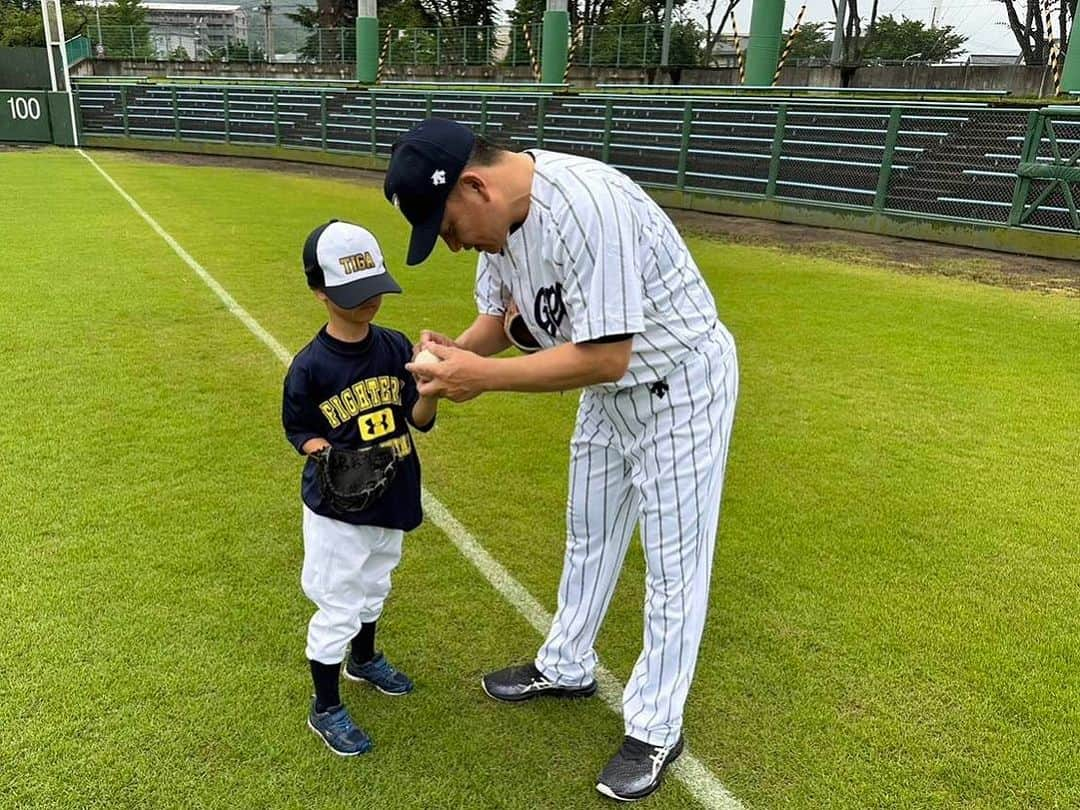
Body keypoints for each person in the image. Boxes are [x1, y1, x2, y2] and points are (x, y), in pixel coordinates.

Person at [386, 118, 739, 802]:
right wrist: (450, 358)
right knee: (589, 534)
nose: (453, 244)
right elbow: (500, 323)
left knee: (673, 564)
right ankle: (567, 664)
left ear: (474, 185)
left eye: (448, 225)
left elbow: (609, 353)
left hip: (681, 388)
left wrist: (480, 379)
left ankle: (656, 728)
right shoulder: (503, 222)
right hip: (609, 397)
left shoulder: (588, 205)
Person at [282, 219, 438, 756]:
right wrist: (326, 455)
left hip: (392, 492)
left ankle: (363, 660)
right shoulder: (310, 366)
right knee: (338, 605)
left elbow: (416, 417)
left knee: (377, 585)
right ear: (320, 291)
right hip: (338, 510)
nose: (370, 300)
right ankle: (325, 707)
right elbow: (299, 429)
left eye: (375, 286)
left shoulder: (394, 346)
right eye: (355, 292)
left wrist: (432, 389)